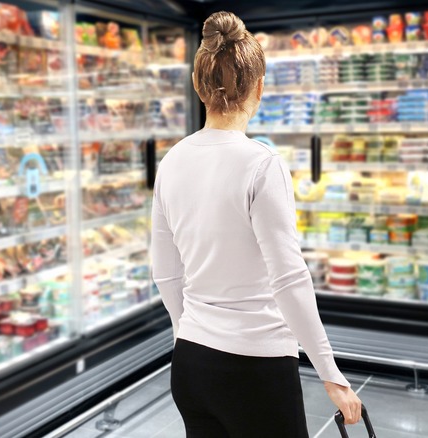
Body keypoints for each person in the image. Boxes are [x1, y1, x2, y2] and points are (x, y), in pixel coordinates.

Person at [151, 11, 362, 437]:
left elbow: (166, 272)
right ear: (259, 88)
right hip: (255, 369)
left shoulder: (171, 161)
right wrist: (331, 374)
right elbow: (289, 280)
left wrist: (187, 333)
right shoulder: (261, 165)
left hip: (191, 364)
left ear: (198, 86)